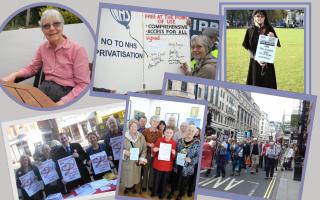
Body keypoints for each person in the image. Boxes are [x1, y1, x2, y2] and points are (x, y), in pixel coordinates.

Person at [1, 9, 90, 105]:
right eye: (46, 26)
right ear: (43, 30)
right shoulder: (43, 47)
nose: (51, 28)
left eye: (56, 24)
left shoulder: (77, 49)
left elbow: (83, 85)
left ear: (62, 26)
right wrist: (14, 74)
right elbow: (32, 68)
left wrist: (62, 103)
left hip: (66, 94)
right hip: (44, 89)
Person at [242, 10, 281, 89]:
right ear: (254, 17)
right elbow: (247, 46)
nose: (260, 18)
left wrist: (273, 37)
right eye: (258, 16)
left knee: (268, 84)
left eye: (262, 16)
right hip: (254, 61)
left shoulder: (269, 28)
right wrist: (257, 58)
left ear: (265, 18)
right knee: (255, 84)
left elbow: (278, 44)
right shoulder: (250, 30)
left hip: (267, 62)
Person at [168, 125, 200, 200]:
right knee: (174, 179)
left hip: (188, 167)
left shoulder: (197, 143)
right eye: (189, 130)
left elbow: (198, 156)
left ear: (195, 133)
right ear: (186, 130)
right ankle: (172, 192)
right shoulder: (180, 140)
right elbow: (175, 150)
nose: (190, 132)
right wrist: (174, 153)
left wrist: (191, 160)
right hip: (177, 164)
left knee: (184, 182)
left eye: (192, 131)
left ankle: (180, 195)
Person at [121, 119, 147, 194]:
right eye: (132, 126)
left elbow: (144, 149)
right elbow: (119, 149)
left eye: (135, 126)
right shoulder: (124, 136)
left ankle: (133, 187)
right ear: (129, 127)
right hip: (127, 161)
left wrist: (142, 158)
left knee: (135, 175)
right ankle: (127, 187)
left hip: (136, 161)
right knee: (127, 175)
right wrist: (124, 152)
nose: (134, 128)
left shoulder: (140, 136)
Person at [151, 127, 177, 199]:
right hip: (158, 164)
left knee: (164, 181)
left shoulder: (174, 143)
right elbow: (153, 152)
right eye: (167, 132)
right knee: (156, 180)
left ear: (172, 134)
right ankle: (154, 192)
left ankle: (162, 194)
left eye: (170, 133)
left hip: (167, 166)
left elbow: (174, 157)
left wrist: (174, 153)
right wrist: (154, 150)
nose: (168, 134)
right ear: (164, 132)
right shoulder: (159, 140)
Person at [141, 116, 162, 192]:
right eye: (154, 121)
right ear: (151, 121)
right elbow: (142, 142)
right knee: (145, 169)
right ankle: (144, 185)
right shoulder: (145, 131)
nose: (155, 123)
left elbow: (160, 142)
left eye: (157, 122)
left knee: (153, 169)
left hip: (156, 154)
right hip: (147, 153)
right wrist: (149, 144)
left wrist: (157, 147)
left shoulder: (160, 132)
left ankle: (150, 185)